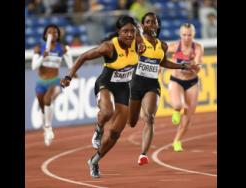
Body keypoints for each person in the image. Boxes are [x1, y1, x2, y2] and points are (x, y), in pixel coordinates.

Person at [60, 15, 144, 178]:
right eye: (125, 31)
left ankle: (94, 161)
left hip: (123, 88)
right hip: (106, 84)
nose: (129, 35)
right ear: (118, 32)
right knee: (107, 112)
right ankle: (98, 129)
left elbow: (145, 33)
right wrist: (69, 76)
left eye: (131, 31)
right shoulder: (108, 47)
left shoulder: (138, 42)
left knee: (115, 133)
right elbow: (83, 56)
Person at [128, 12, 198, 165]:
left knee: (150, 118)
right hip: (136, 83)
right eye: (148, 22)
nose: (152, 25)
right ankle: (137, 113)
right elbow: (130, 31)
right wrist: (138, 30)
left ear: (158, 25)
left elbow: (164, 62)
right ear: (144, 25)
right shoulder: (138, 40)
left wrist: (182, 65)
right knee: (132, 122)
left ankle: (143, 154)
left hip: (152, 84)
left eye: (154, 22)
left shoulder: (163, 45)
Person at [31, 24, 74, 146]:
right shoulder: (39, 48)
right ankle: (46, 129)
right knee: (43, 107)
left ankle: (48, 126)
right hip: (41, 82)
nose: (52, 34)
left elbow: (71, 65)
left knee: (47, 99)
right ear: (45, 35)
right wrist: (43, 57)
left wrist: (71, 75)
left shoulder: (63, 48)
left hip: (55, 81)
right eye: (50, 32)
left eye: (55, 32)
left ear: (58, 35)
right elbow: (34, 66)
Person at [167, 23, 203, 152]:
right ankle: (176, 110)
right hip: (177, 80)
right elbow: (159, 54)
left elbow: (198, 69)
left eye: (189, 35)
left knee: (188, 116)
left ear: (193, 34)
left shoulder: (197, 48)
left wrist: (193, 64)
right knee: (178, 105)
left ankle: (177, 140)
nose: (186, 38)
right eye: (184, 35)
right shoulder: (175, 46)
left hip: (192, 82)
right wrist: (159, 66)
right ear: (180, 34)